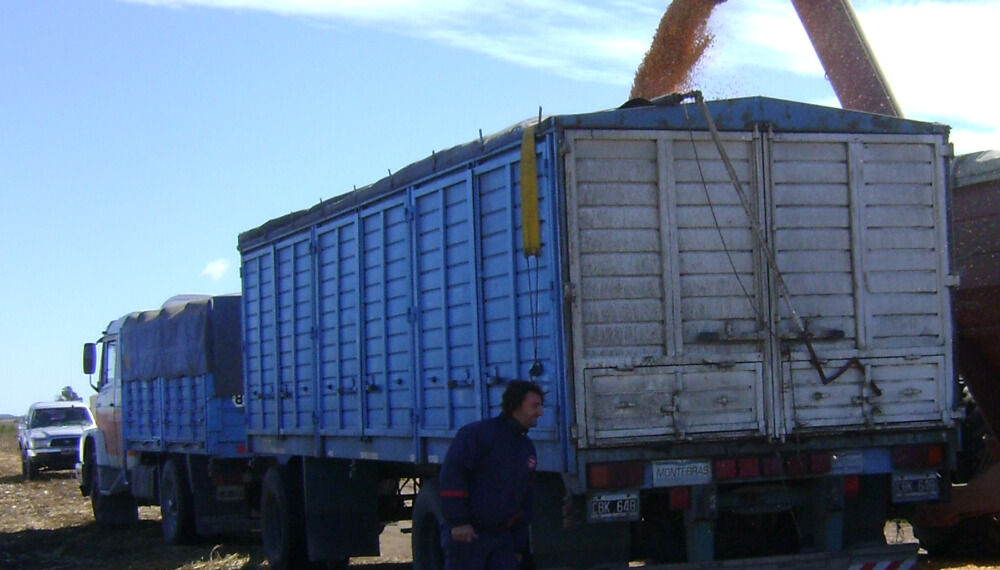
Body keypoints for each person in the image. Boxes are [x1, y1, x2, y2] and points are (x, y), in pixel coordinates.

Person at [439, 380, 544, 570]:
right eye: (534, 406)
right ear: (515, 405)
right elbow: (453, 476)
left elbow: (525, 500)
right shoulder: (478, 435)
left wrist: (518, 545)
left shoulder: (526, 448)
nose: (540, 412)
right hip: (469, 536)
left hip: (503, 541)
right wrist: (458, 522)